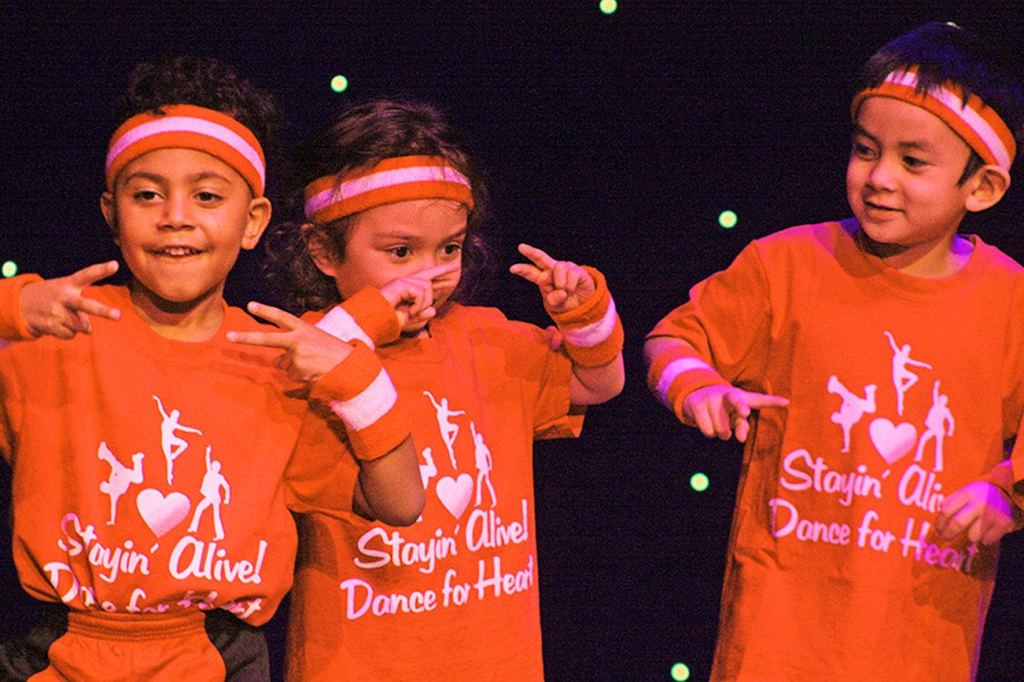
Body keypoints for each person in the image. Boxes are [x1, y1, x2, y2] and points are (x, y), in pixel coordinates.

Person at [0, 56, 422, 680]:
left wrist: (358, 380)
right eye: (147, 194)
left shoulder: (274, 361)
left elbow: (402, 502)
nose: (175, 215)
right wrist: (10, 308)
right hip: (60, 653)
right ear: (112, 213)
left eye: (206, 196)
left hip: (218, 657)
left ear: (252, 222)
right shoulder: (54, 339)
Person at [644, 22, 1024, 680]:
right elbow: (673, 339)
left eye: (913, 161)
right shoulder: (787, 264)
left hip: (920, 648)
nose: (879, 178)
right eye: (865, 150)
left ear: (982, 187)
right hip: (776, 642)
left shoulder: (1009, 300)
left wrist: (1007, 496)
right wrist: (699, 387)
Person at [255, 98, 624, 680]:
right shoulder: (309, 356)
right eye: (401, 252)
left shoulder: (490, 342)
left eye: (449, 248)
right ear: (324, 251)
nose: (431, 272)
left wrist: (585, 318)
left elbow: (596, 384)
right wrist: (371, 320)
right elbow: (299, 375)